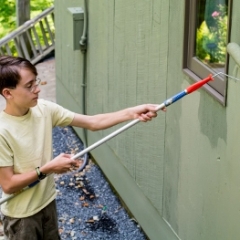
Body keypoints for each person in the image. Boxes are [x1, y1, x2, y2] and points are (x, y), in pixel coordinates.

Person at [0, 55, 164, 240]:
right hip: (21, 216)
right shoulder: (2, 131)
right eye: (29, 86)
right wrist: (48, 168)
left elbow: (93, 122)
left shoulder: (44, 109)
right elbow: (9, 184)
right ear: (8, 93)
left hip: (47, 203)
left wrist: (131, 112)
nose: (37, 89)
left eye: (35, 81)